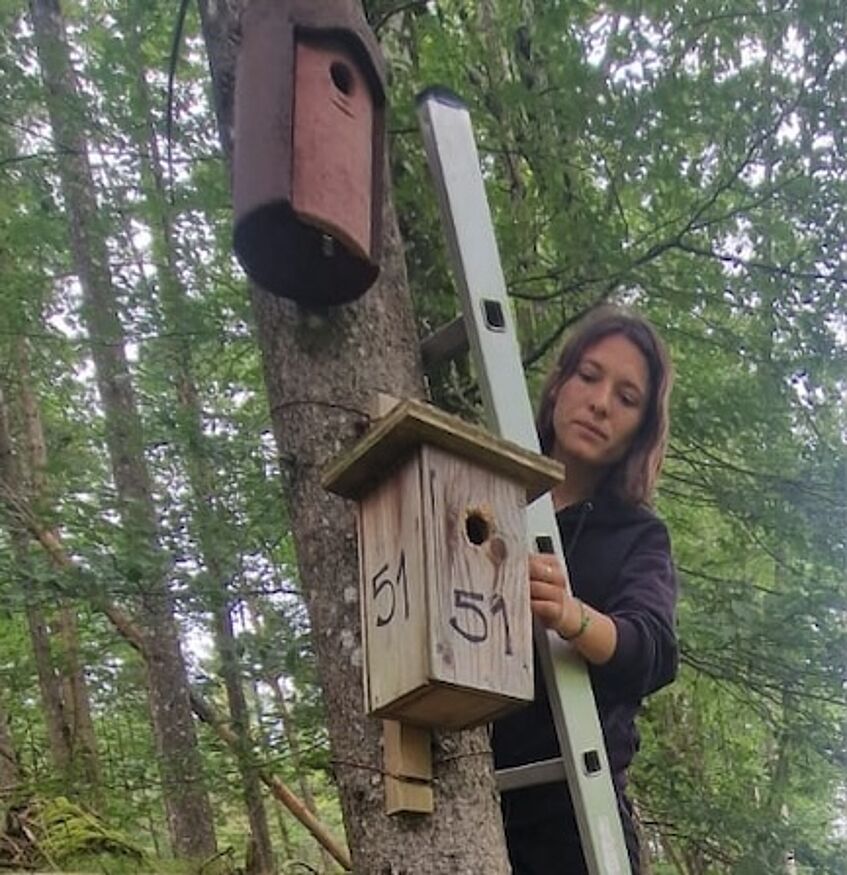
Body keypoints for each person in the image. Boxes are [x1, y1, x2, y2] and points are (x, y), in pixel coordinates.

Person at [493, 306, 678, 874]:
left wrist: (571, 616)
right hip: (472, 800)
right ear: (559, 386)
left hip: (573, 827)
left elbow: (653, 651)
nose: (600, 403)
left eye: (627, 398)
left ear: (638, 432)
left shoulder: (636, 535)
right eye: (590, 376)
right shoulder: (489, 492)